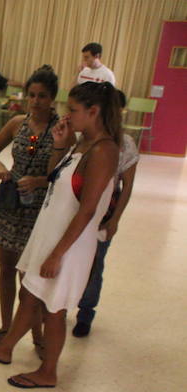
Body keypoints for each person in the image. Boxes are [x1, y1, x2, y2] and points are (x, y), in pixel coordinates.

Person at [0, 82, 121, 388]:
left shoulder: (104, 151)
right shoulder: (82, 143)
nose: (67, 115)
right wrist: (62, 144)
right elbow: (55, 179)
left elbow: (88, 210)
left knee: (54, 307)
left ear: (93, 112)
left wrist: (56, 254)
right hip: (50, 232)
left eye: (73, 110)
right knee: (30, 293)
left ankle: (48, 371)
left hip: (69, 244)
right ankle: (5, 347)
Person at [0, 65, 61, 356]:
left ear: (53, 98)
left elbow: (63, 172)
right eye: (32, 95)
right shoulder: (17, 123)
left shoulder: (62, 129)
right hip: (10, 203)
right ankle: (5, 328)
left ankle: (37, 336)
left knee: (30, 277)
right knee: (6, 270)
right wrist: (1, 168)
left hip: (39, 210)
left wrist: (40, 181)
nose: (36, 101)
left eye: (42, 96)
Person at [73, 91, 139, 337]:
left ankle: (86, 312)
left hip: (104, 212)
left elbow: (127, 185)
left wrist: (116, 219)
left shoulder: (125, 143)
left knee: (95, 263)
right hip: (77, 207)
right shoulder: (84, 138)